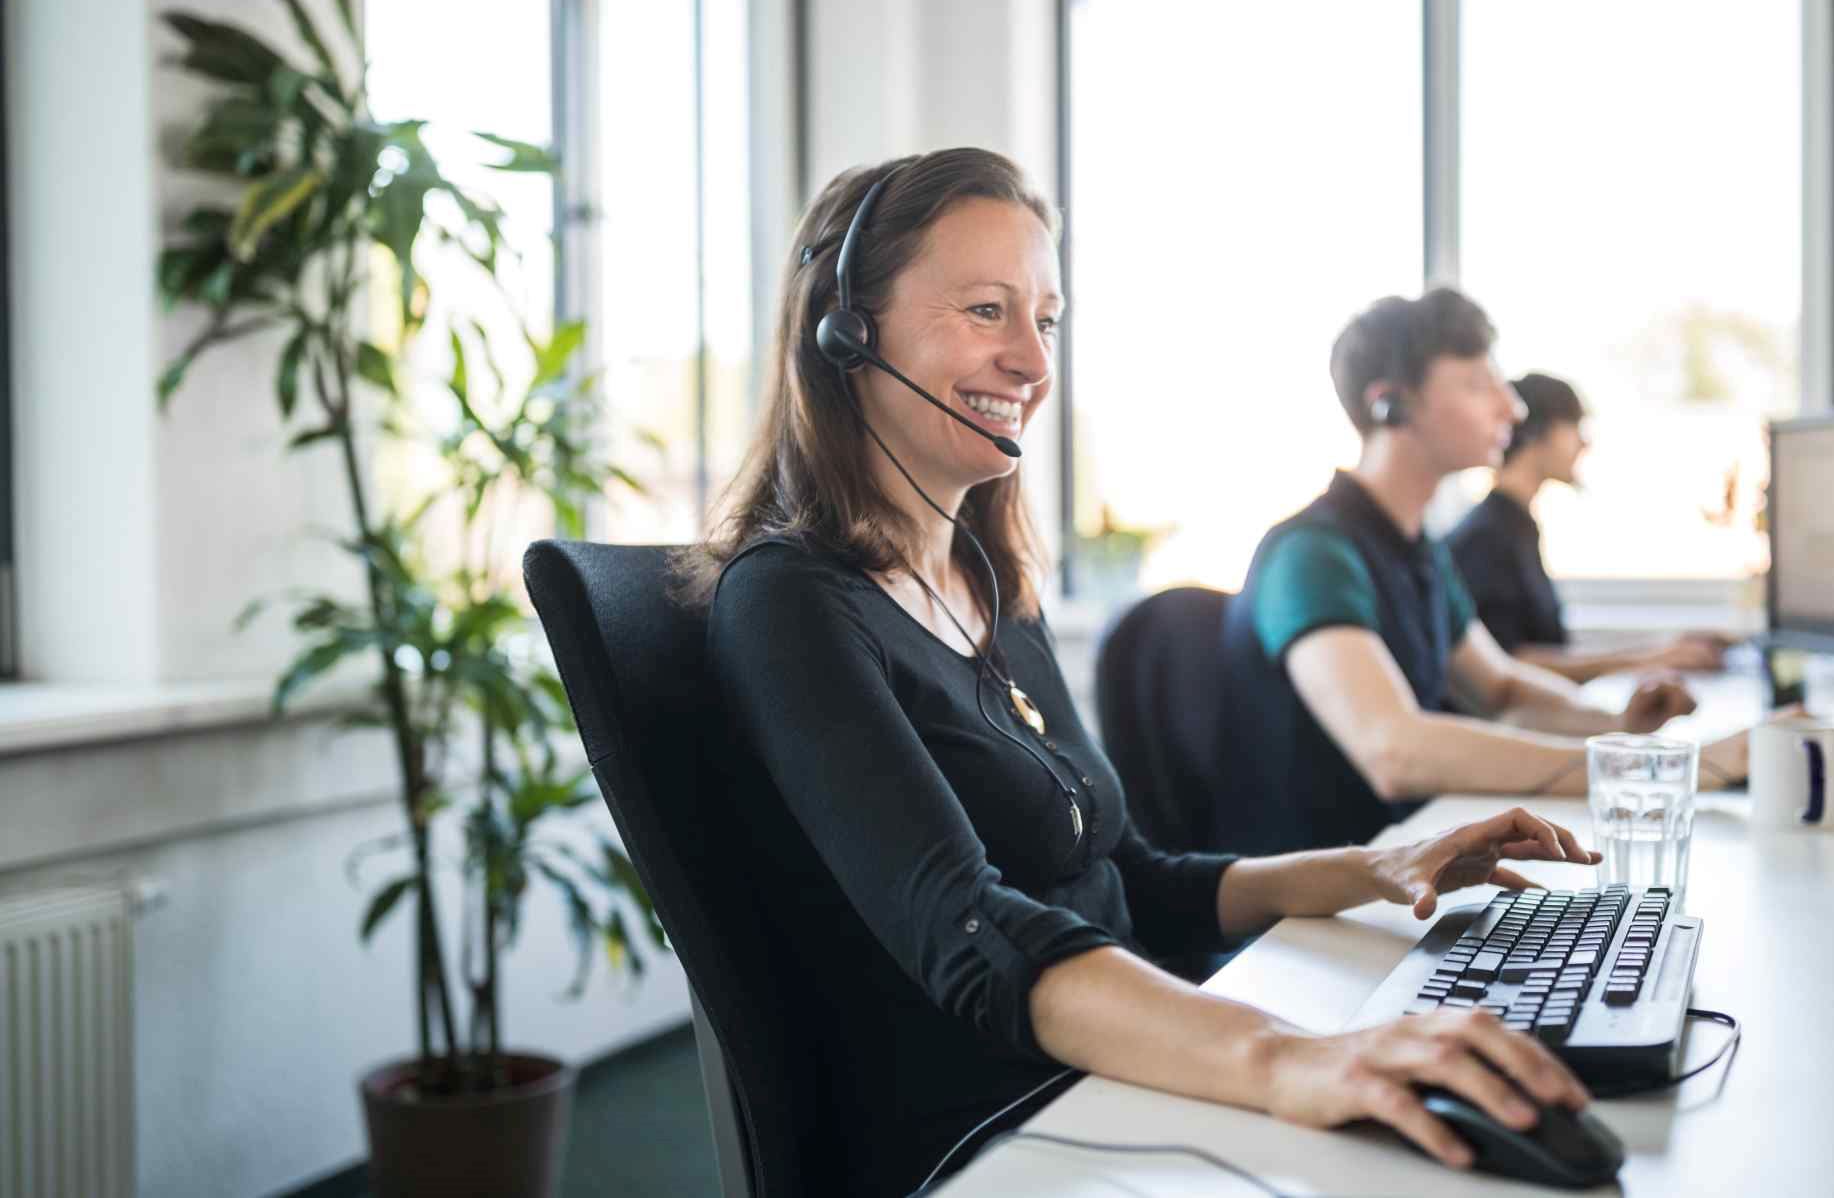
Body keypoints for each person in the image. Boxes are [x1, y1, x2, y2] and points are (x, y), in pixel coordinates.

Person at [679, 149, 1602, 1195]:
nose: (1032, 360)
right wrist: (1288, 1057)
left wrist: (1379, 867)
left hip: (1118, 1073)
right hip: (1006, 1134)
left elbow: (1134, 878)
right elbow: (969, 931)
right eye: (987, 310)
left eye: (1047, 319)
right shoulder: (790, 601)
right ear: (847, 330)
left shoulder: (987, 582)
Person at [1213, 291, 1752, 858]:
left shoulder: (1416, 550)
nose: (1512, 409)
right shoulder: (1312, 555)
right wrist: (1654, 769)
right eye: (1477, 384)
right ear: (1389, 405)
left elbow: (1500, 687)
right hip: (1307, 920)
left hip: (1407, 866)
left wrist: (1617, 723)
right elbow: (1393, 750)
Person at [1446, 372, 1734, 683]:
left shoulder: (1517, 526)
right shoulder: (1486, 538)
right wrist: (1652, 659)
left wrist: (1660, 651)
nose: (1584, 442)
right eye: (1574, 426)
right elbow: (1507, 662)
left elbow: (1545, 649)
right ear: (1537, 433)